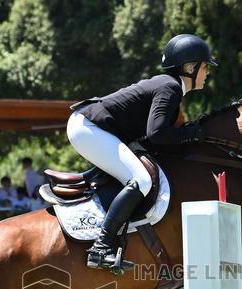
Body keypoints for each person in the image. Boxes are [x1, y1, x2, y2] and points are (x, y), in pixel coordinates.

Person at [67, 33, 214, 270]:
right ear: (190, 67)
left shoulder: (169, 86)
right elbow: (157, 134)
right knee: (141, 180)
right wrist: (192, 134)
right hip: (88, 128)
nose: (207, 72)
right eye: (205, 66)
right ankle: (101, 248)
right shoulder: (170, 88)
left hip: (91, 126)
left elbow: (152, 138)